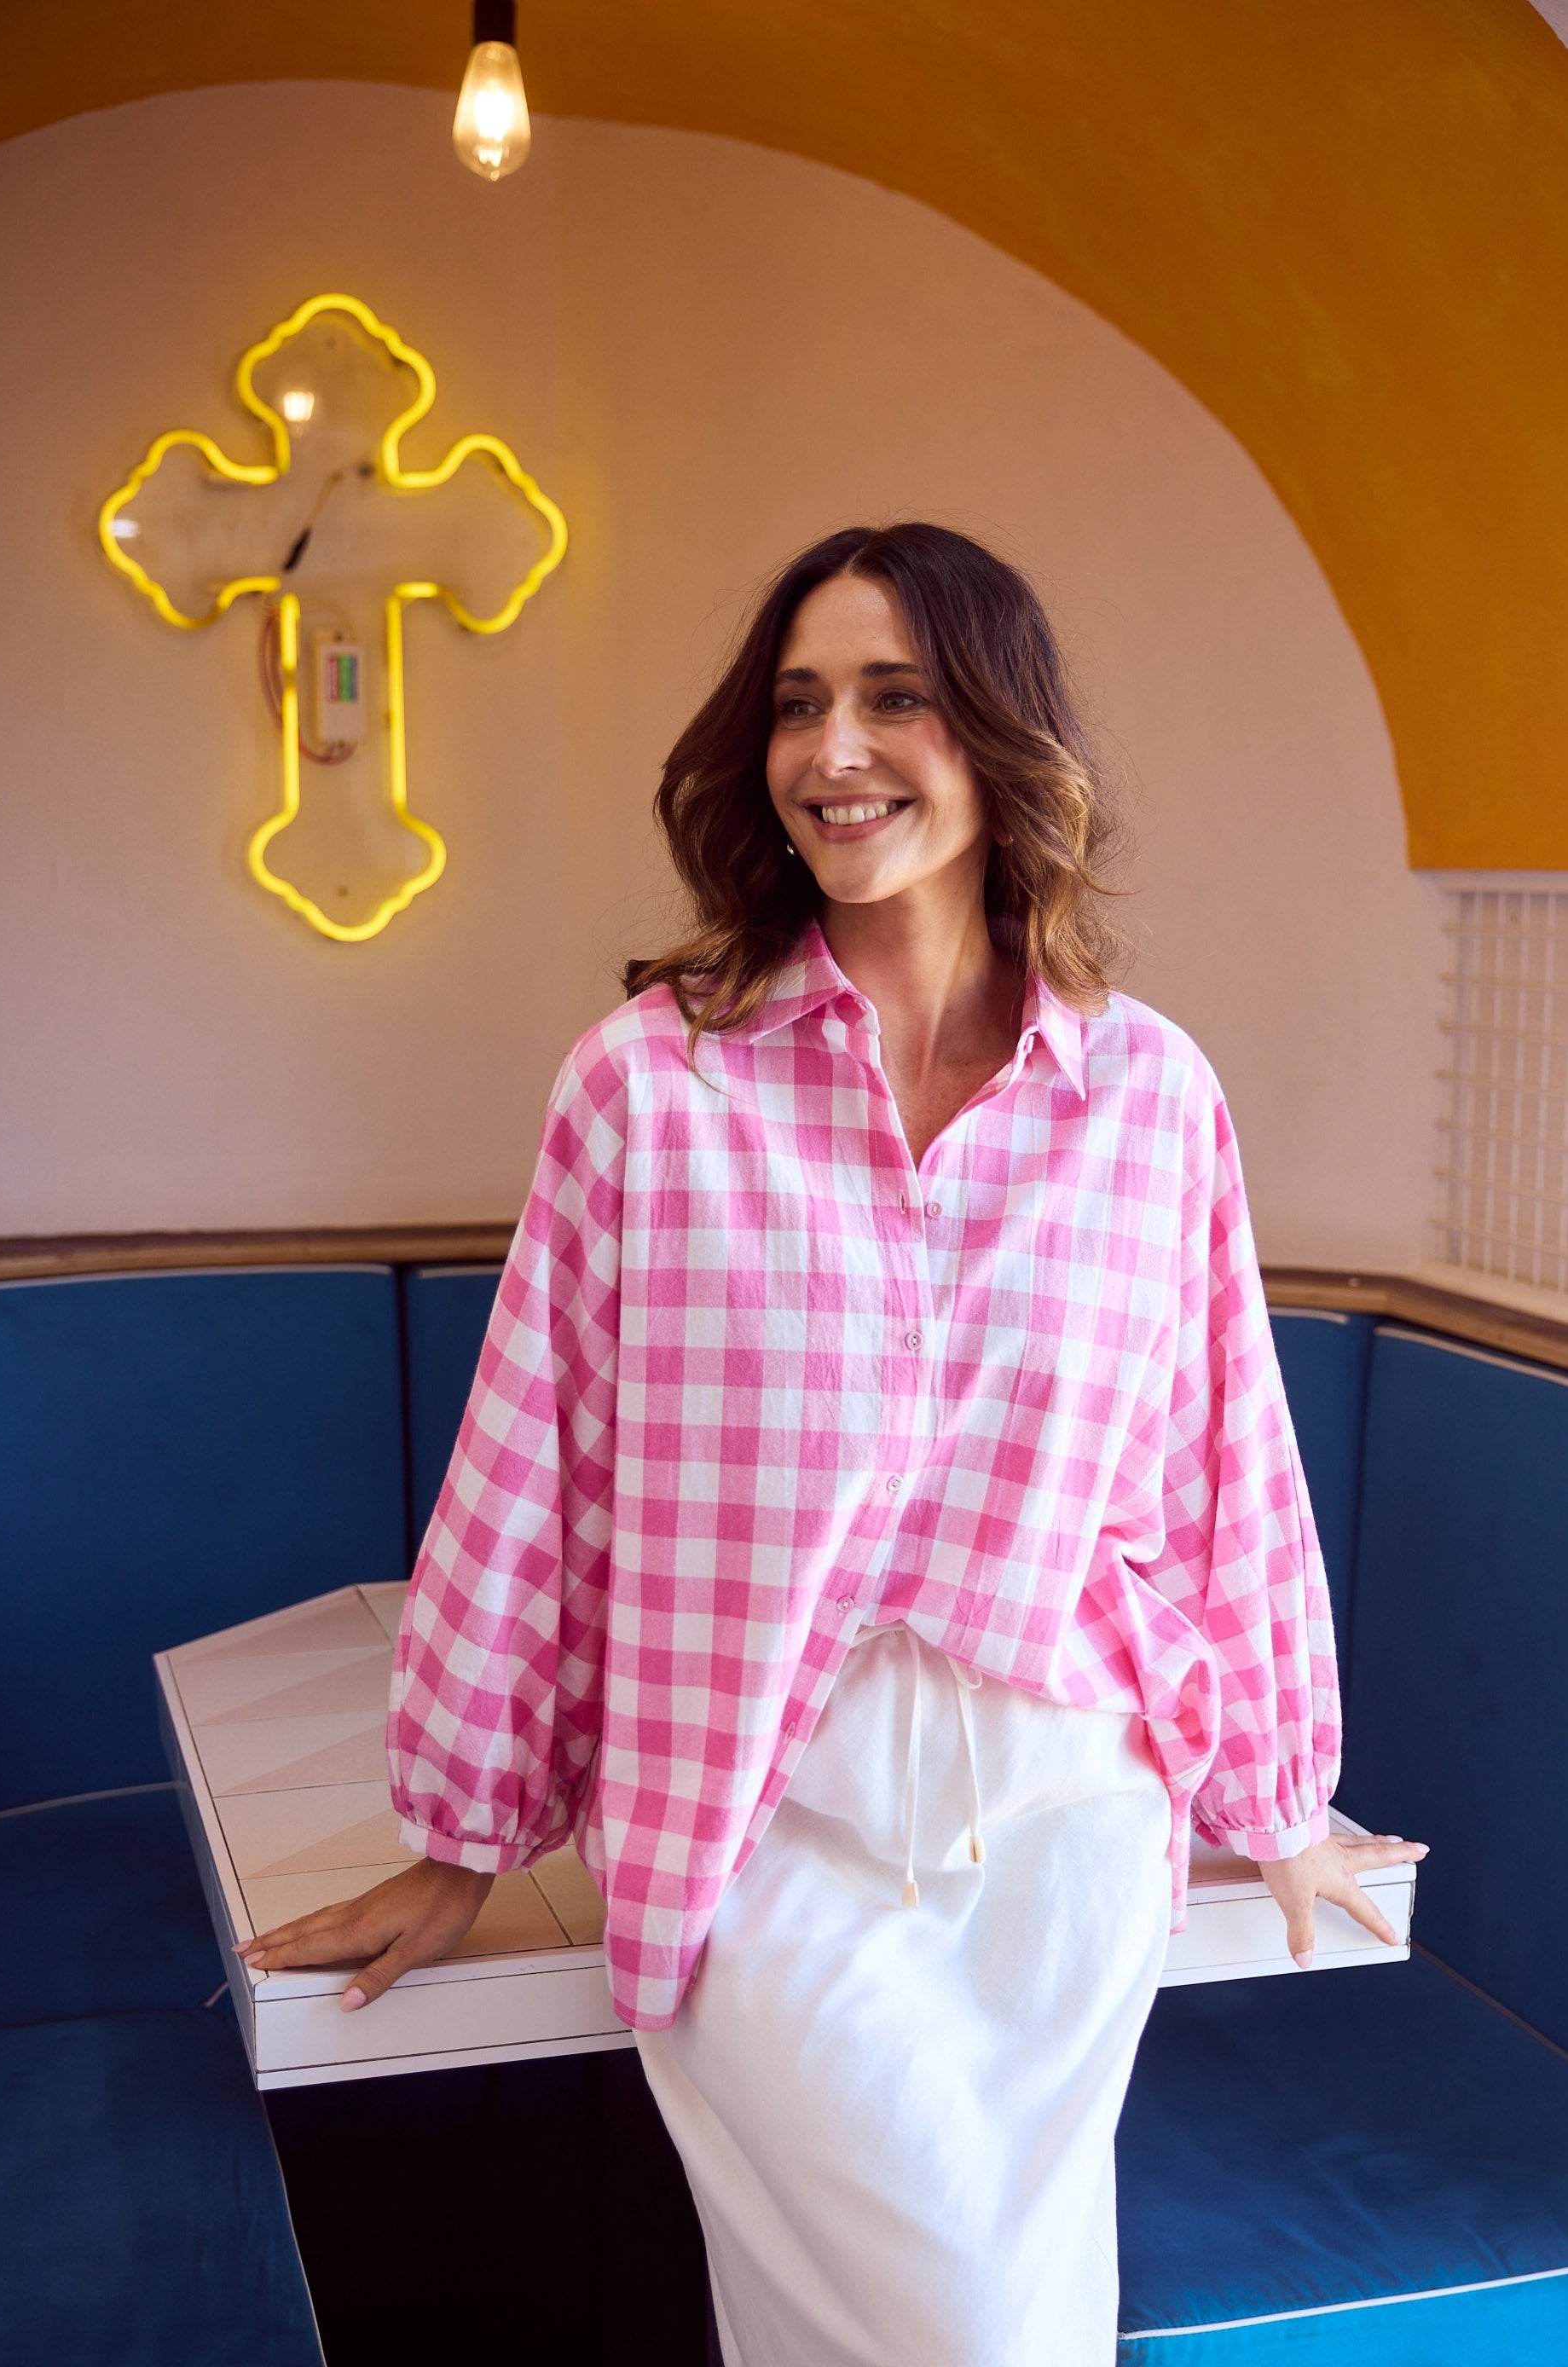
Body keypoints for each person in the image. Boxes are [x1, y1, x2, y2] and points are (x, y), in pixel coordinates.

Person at [238, 522, 1427, 2366]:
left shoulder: (1148, 1095)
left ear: (1003, 733)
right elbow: (531, 1475)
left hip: (1064, 1811)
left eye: (893, 696)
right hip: (761, 1811)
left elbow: (1217, 1464)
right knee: (956, 2330)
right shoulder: (650, 1081)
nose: (832, 749)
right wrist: (463, 1833)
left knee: (984, 2314)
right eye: (797, 704)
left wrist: (1272, 1801)